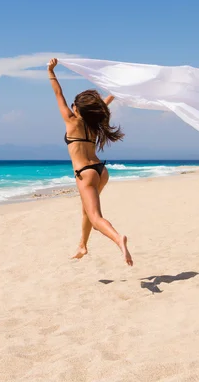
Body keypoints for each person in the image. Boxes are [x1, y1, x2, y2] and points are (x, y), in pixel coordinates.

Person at [47, 58, 133, 266]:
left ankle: (117, 239)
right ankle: (82, 245)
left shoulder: (71, 120)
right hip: (100, 171)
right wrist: (115, 91)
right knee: (87, 210)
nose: (71, 106)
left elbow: (58, 93)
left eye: (74, 105)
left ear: (77, 109)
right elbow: (103, 104)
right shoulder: (94, 124)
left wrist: (50, 71)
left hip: (85, 173)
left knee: (95, 218)